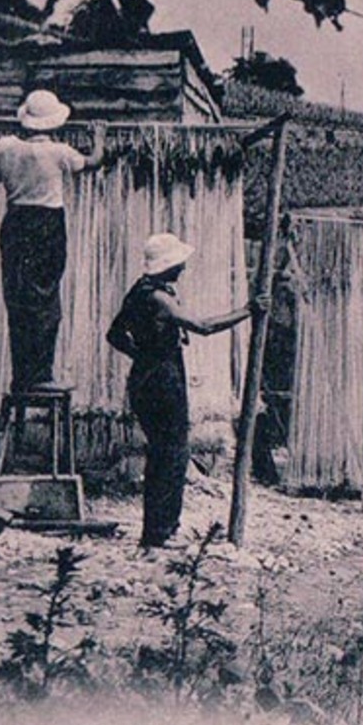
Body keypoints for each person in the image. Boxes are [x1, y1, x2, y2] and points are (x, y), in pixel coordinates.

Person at [106, 232, 261, 550]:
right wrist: (247, 310)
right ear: (168, 265)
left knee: (164, 452)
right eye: (179, 263)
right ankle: (161, 533)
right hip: (162, 380)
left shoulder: (141, 292)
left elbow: (115, 334)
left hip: (148, 377)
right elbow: (203, 327)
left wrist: (143, 354)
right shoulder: (158, 298)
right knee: (173, 454)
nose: (183, 269)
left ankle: (157, 531)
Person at [0, 90, 104, 392]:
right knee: (46, 300)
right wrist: (99, 136)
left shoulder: (5, 147)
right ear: (54, 123)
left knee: (18, 298)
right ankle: (41, 375)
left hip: (15, 225)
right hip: (47, 227)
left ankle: (22, 374)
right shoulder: (60, 152)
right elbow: (93, 162)